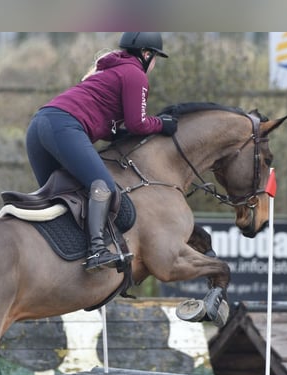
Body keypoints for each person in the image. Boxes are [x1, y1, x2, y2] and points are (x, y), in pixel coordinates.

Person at [26, 32, 178, 273]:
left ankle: (51, 260)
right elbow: (138, 123)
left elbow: (107, 124)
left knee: (60, 197)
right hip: (63, 126)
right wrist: (162, 124)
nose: (155, 64)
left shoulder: (110, 70)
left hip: (39, 125)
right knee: (103, 186)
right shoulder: (134, 74)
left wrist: (118, 133)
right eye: (156, 58)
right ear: (146, 54)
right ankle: (97, 250)